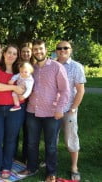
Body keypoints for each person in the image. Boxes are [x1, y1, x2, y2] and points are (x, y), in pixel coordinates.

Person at [17, 40, 70, 182]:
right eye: (35, 49)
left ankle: (51, 172)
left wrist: (60, 108)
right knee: (31, 143)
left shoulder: (57, 67)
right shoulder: (32, 68)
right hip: (32, 111)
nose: (38, 51)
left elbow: (65, 90)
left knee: (51, 144)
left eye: (40, 49)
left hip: (52, 113)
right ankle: (32, 167)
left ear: (46, 50)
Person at [0, 45, 26, 179]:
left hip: (15, 109)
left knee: (10, 139)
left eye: (15, 54)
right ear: (4, 54)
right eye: (9, 52)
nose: (11, 55)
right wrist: (13, 88)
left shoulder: (20, 71)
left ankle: (7, 166)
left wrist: (20, 90)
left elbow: (24, 87)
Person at [56, 41, 86, 181]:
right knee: (52, 139)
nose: (62, 50)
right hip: (54, 110)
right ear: (56, 51)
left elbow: (80, 90)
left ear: (70, 50)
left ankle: (74, 167)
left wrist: (74, 108)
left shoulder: (77, 67)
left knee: (71, 139)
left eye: (65, 48)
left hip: (69, 109)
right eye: (59, 48)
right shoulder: (52, 65)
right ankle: (51, 163)